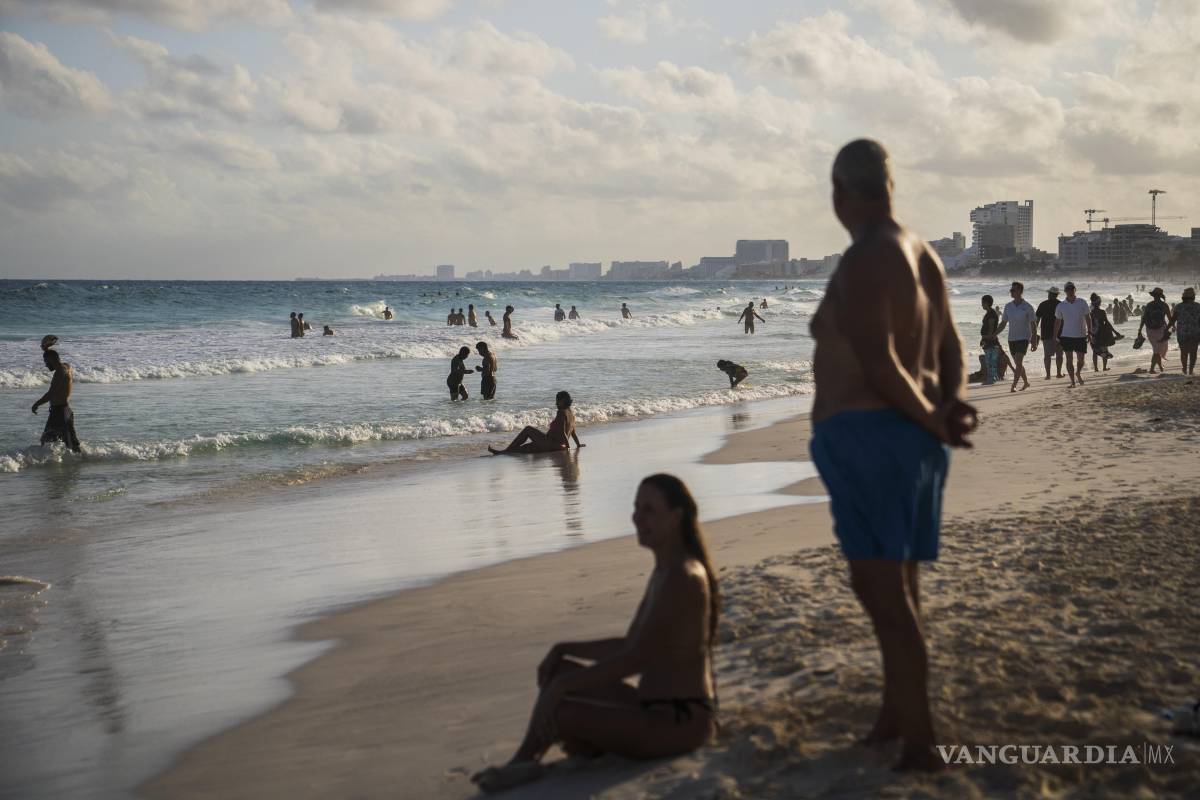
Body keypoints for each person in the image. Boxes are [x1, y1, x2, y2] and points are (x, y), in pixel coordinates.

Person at [808, 139, 977, 772]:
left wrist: (933, 417)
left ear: (839, 194)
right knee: (899, 585)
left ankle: (922, 739)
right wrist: (948, 406)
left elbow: (879, 362)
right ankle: (895, 713)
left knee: (881, 591)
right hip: (907, 440)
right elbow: (951, 349)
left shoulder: (866, 257)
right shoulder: (922, 253)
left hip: (873, 438)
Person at [471, 474, 718, 793]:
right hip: (652, 707)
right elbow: (631, 644)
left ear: (676, 517)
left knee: (560, 705)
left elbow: (635, 660)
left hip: (678, 723)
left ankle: (523, 761)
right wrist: (564, 649)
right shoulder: (665, 569)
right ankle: (582, 745)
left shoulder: (683, 576)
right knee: (557, 669)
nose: (636, 518)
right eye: (635, 508)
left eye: (648, 510)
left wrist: (563, 687)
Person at [489, 391, 583, 454]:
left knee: (528, 429)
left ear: (562, 401)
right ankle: (505, 453)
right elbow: (572, 431)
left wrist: (568, 447)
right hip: (556, 445)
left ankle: (504, 452)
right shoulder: (571, 414)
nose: (556, 404)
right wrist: (577, 445)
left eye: (557, 401)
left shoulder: (561, 412)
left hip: (551, 443)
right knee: (526, 447)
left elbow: (562, 431)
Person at [32, 348, 82, 452]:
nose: (46, 365)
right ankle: (80, 463)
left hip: (60, 412)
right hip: (64, 411)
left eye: (46, 361)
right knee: (71, 444)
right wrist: (46, 350)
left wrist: (37, 404)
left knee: (46, 441)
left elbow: (51, 393)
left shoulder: (60, 372)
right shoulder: (66, 367)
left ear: (51, 359)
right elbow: (58, 361)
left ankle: (50, 464)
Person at [996, 281, 1037, 392]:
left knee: (1018, 361)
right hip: (1012, 339)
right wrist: (994, 334)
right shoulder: (1008, 306)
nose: (1011, 292)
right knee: (1018, 363)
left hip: (1024, 338)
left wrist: (1034, 339)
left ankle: (1013, 385)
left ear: (1020, 291)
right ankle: (1026, 382)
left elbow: (1033, 323)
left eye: (1013, 290)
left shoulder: (1027, 306)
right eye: (1011, 290)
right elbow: (1003, 323)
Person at [1054, 281, 1090, 388]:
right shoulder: (1061, 305)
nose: (1070, 291)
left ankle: (1078, 372)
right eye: (1068, 289)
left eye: (1072, 289)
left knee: (1081, 360)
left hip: (1081, 335)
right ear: (1065, 291)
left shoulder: (1082, 302)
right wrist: (1055, 335)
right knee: (1069, 359)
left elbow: (1088, 318)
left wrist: (1090, 332)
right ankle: (1072, 381)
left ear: (1075, 290)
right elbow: (1057, 321)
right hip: (1066, 336)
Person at [1138, 287, 1170, 374]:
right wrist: (1173, 327)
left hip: (1150, 330)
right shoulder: (1164, 305)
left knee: (1156, 349)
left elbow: (1144, 318)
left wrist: (1140, 329)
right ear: (1160, 296)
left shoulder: (1149, 305)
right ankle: (1152, 368)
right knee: (1158, 349)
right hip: (1161, 329)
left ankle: (1159, 366)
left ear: (1154, 296)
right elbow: (1169, 318)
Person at [1169, 287, 1199, 374]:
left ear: (1184, 297)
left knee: (1183, 352)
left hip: (1182, 333)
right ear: (1193, 296)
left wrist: (1167, 329)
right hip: (1195, 333)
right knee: (1193, 352)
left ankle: (1184, 369)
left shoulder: (1179, 306)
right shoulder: (1198, 306)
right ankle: (1191, 370)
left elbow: (1173, 320)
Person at [1035, 287, 1063, 379]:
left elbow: (1037, 319)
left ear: (1050, 294)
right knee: (1059, 354)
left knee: (1047, 355)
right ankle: (1058, 373)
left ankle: (1048, 375)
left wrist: (1034, 332)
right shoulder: (1061, 304)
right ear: (1057, 295)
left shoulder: (1043, 304)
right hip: (1060, 333)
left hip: (1046, 333)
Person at [1089, 293, 1116, 372]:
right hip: (1101, 334)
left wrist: (1088, 333)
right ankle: (1104, 367)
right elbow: (1107, 322)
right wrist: (1115, 332)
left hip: (1093, 334)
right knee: (1104, 350)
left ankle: (1096, 368)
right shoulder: (1102, 312)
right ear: (1098, 303)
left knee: (1095, 352)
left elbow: (1087, 323)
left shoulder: (1090, 313)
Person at [979, 295, 1001, 385]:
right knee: (990, 360)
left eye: (982, 303)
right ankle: (993, 378)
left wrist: (987, 338)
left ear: (987, 303)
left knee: (990, 360)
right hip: (988, 339)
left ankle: (991, 379)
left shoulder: (991, 314)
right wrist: (983, 338)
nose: (982, 305)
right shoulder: (989, 313)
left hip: (991, 341)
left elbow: (991, 327)